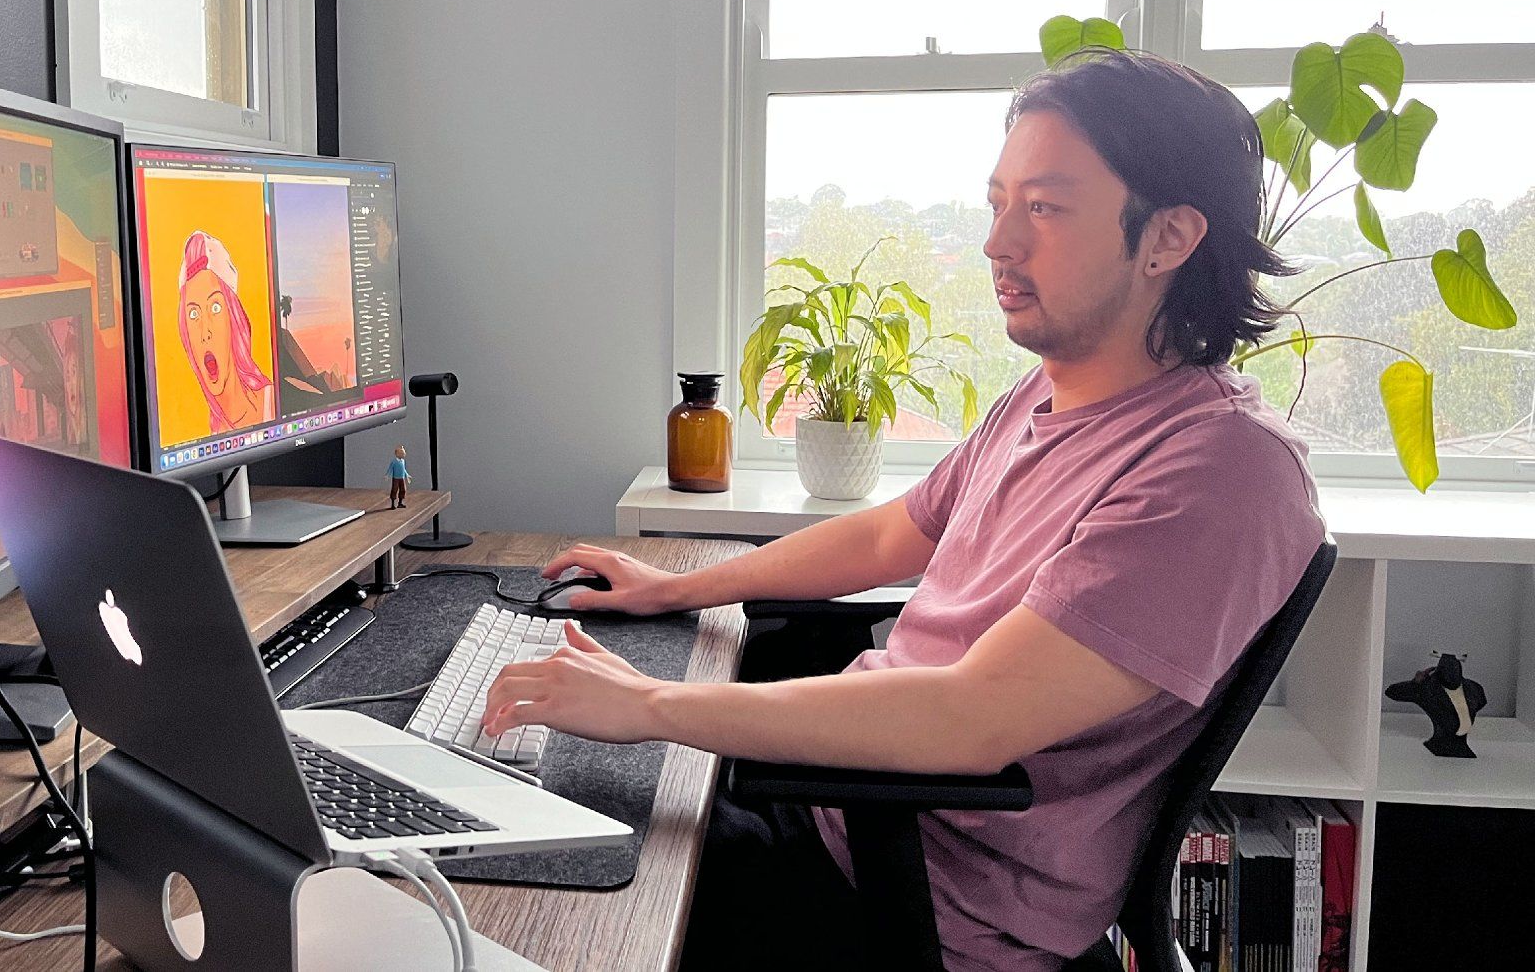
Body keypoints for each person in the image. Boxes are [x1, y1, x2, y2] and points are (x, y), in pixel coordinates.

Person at [482, 51, 1327, 970]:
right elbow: (894, 533)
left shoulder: (1220, 472)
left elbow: (972, 718)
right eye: (999, 201)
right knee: (502, 807)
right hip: (838, 809)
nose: (1000, 241)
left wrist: (649, 703)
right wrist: (672, 588)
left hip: (911, 902)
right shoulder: (1048, 394)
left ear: (1168, 238)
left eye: (1044, 207)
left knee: (501, 891)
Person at [177, 230, 275, 434]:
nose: (205, 333)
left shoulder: (273, 404)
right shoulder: (212, 437)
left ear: (234, 320)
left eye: (215, 308)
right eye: (193, 314)